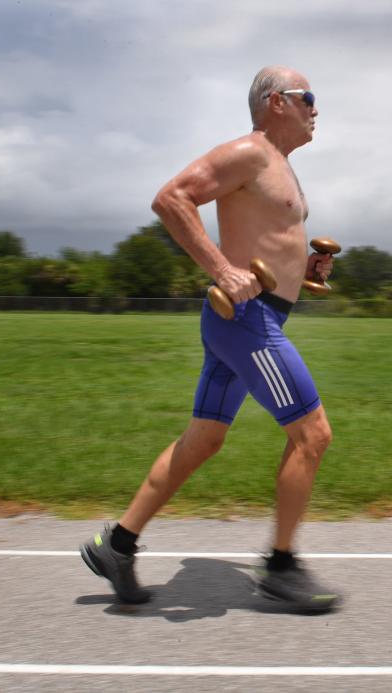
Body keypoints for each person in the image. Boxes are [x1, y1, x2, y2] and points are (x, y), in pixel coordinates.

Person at [80, 66, 340, 612]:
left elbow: (271, 239)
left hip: (250, 318)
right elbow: (172, 198)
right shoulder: (249, 153)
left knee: (205, 439)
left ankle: (117, 546)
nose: (316, 107)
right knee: (312, 435)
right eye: (307, 97)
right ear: (276, 102)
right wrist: (223, 269)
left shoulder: (283, 169)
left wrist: (306, 269)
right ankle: (281, 567)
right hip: (245, 319)